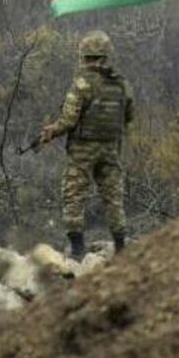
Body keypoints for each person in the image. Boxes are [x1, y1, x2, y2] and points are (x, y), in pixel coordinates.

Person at [40, 30, 134, 260]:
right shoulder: (121, 84)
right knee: (113, 196)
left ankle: (77, 249)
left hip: (83, 149)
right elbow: (129, 115)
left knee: (74, 194)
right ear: (105, 55)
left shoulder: (81, 84)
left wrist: (52, 131)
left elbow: (69, 120)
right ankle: (120, 246)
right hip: (110, 148)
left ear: (84, 56)